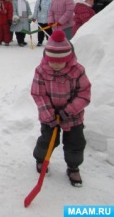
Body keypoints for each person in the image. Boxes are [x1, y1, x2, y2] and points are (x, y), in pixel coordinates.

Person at [31, 30, 91, 187]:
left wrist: (69, 111)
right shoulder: (41, 70)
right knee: (47, 140)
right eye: (52, 61)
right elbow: (38, 94)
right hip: (49, 116)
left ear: (68, 58)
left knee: (75, 143)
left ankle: (73, 167)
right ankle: (41, 159)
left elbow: (84, 94)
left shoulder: (77, 70)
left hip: (73, 116)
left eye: (60, 61)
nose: (55, 64)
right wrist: (49, 114)